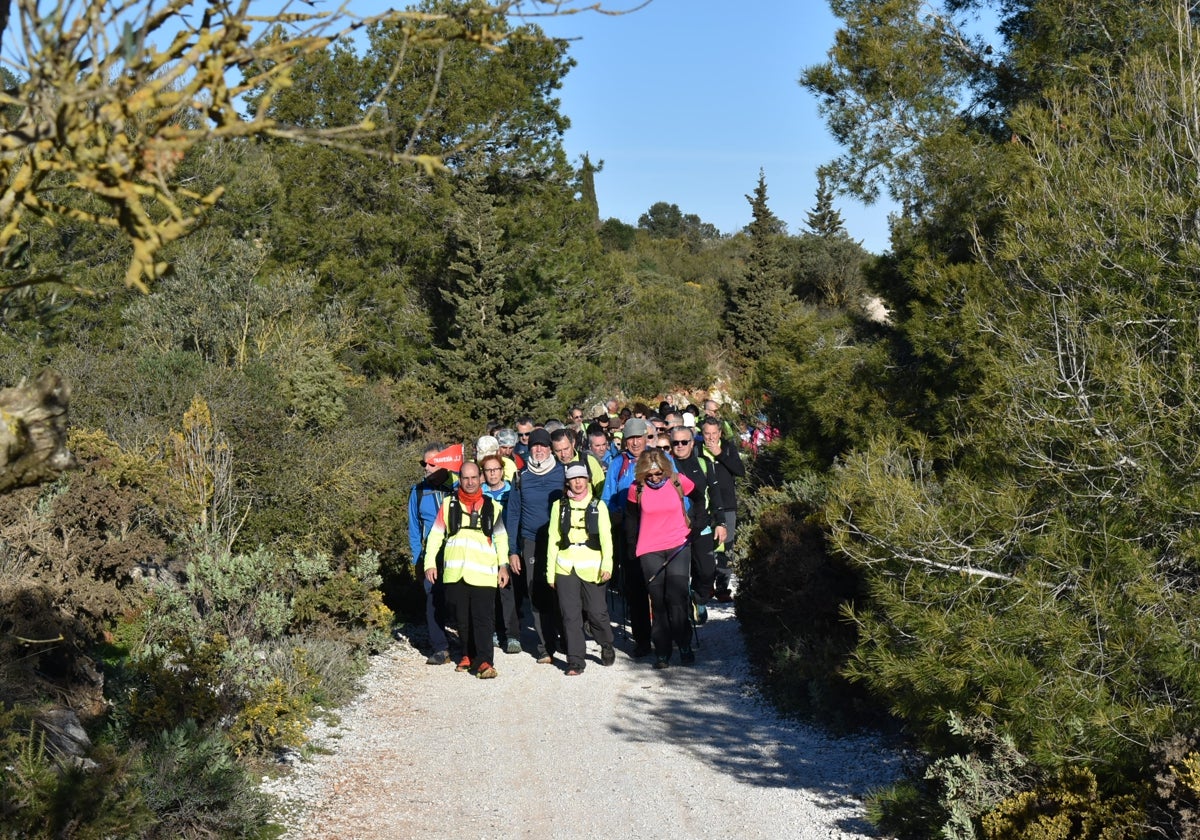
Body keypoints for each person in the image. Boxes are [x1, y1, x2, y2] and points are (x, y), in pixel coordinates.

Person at [423, 462, 509, 679]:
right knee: (462, 619)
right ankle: (467, 655)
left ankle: (485, 662)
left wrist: (503, 565)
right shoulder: (448, 504)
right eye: (465, 478)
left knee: (483, 619)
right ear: (459, 480)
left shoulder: (492, 506)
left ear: (480, 478)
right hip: (455, 573)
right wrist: (430, 563)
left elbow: (500, 538)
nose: (470, 482)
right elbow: (435, 536)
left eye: (474, 478)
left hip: (484, 573)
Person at [626, 449, 696, 669]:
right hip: (650, 549)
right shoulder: (636, 489)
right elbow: (630, 520)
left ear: (666, 470)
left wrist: (697, 524)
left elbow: (700, 499)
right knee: (658, 601)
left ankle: (684, 644)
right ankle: (662, 651)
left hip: (678, 544)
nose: (655, 479)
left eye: (659, 474)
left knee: (677, 597)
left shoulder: (678, 481)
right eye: (650, 475)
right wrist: (630, 547)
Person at [547, 462, 616, 675]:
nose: (578, 482)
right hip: (565, 566)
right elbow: (553, 539)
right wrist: (550, 571)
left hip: (592, 565)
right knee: (570, 615)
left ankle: (605, 643)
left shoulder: (598, 506)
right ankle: (575, 660)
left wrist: (608, 564)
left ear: (587, 480)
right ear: (567, 481)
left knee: (597, 612)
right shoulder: (559, 505)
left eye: (582, 478)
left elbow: (606, 538)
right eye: (574, 478)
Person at [504, 428, 566, 664]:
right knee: (536, 593)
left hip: (559, 541)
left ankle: (567, 638)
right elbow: (513, 515)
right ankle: (545, 647)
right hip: (530, 540)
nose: (538, 450)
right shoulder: (521, 477)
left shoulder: (563, 473)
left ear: (550, 448)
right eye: (534, 446)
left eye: (543, 446)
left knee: (562, 591)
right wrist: (512, 550)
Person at [601, 417, 653, 657]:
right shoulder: (617, 464)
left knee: (661, 587)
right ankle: (643, 640)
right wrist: (613, 514)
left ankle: (665, 635)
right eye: (630, 438)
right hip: (629, 532)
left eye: (638, 437)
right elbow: (606, 499)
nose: (635, 443)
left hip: (658, 531)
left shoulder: (661, 460)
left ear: (646, 437)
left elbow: (678, 491)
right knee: (636, 588)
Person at [408, 443, 457, 665]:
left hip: (457, 552)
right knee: (432, 598)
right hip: (432, 555)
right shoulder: (418, 491)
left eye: (432, 463)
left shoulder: (458, 486)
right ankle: (441, 648)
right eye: (424, 463)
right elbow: (414, 529)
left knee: (458, 598)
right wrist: (418, 560)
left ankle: (467, 644)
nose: (426, 467)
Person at [669, 426, 727, 606]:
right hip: (676, 529)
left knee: (707, 571)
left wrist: (721, 522)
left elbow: (715, 494)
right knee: (680, 574)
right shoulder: (667, 466)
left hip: (703, 526)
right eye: (675, 442)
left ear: (692, 442)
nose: (680, 446)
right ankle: (685, 609)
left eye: (684, 442)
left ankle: (697, 600)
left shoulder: (703, 463)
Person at [481, 454, 523, 653]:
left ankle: (513, 635)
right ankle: (494, 631)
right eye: (488, 470)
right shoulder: (479, 493)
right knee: (490, 594)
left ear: (502, 470)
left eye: (496, 469)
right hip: (485, 550)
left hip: (507, 547)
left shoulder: (512, 490)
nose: (492, 473)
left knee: (508, 593)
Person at [701, 416, 745, 602]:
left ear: (720, 433)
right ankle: (705, 586)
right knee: (705, 547)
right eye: (707, 434)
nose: (710, 438)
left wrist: (720, 453)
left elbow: (740, 471)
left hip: (727, 505)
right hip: (704, 506)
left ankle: (722, 588)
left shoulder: (728, 447)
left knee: (726, 548)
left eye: (714, 433)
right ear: (701, 434)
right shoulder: (696, 449)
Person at [550, 427, 605, 497]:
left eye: (566, 449)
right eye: (558, 451)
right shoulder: (551, 466)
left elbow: (602, 490)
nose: (563, 454)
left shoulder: (589, 461)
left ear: (573, 443)